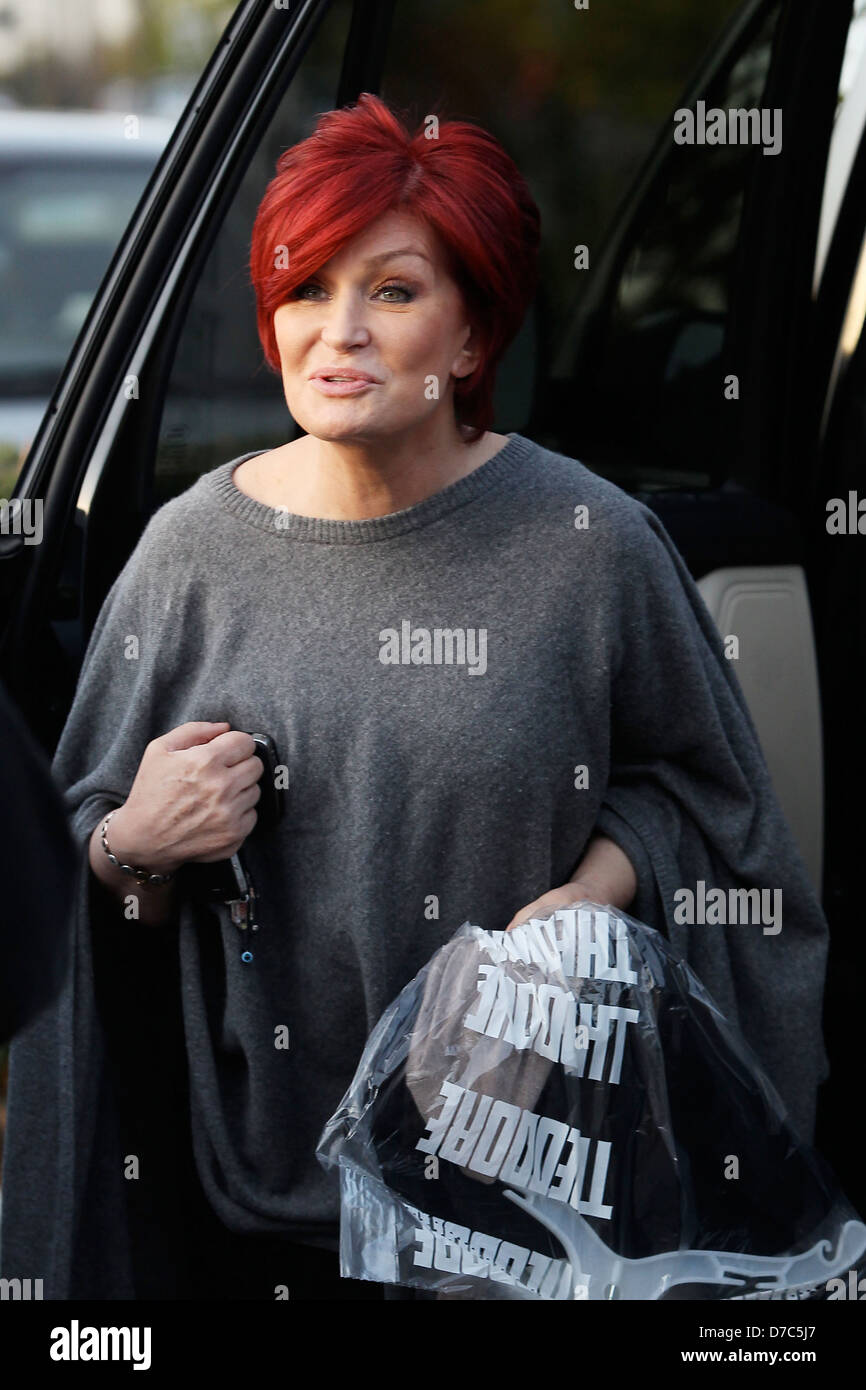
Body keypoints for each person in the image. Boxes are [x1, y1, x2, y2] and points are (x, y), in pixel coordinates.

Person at [0, 92, 829, 1301]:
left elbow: (716, 815)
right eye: (303, 288)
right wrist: (132, 842)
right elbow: (57, 880)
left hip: (539, 1211)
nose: (337, 332)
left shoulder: (591, 545)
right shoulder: (188, 556)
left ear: (472, 337)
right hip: (261, 1210)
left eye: (391, 291)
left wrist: (574, 915)